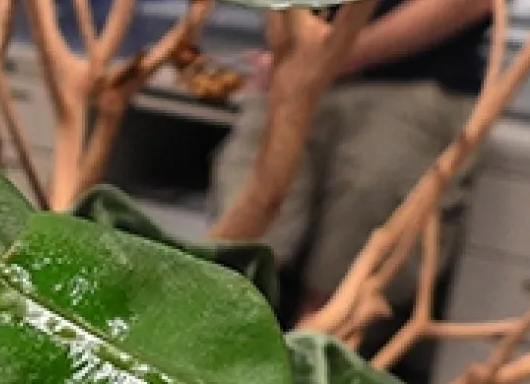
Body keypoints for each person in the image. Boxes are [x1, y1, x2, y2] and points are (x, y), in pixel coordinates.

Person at [208, 0, 495, 324]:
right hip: (288, 72)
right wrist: (295, 50)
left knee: (346, 275)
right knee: (235, 252)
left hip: (413, 81)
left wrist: (330, 57)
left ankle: (306, 363)